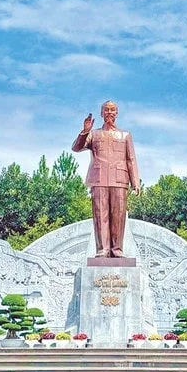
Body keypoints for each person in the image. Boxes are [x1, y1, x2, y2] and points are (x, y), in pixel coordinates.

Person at [71, 100, 140, 258]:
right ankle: (102, 249)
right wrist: (84, 131)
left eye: (112, 110)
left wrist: (135, 182)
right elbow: (76, 148)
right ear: (101, 113)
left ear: (117, 113)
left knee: (119, 215)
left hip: (119, 179)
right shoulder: (94, 134)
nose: (109, 113)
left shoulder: (125, 135)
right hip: (99, 178)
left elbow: (131, 159)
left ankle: (117, 249)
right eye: (106, 110)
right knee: (100, 215)